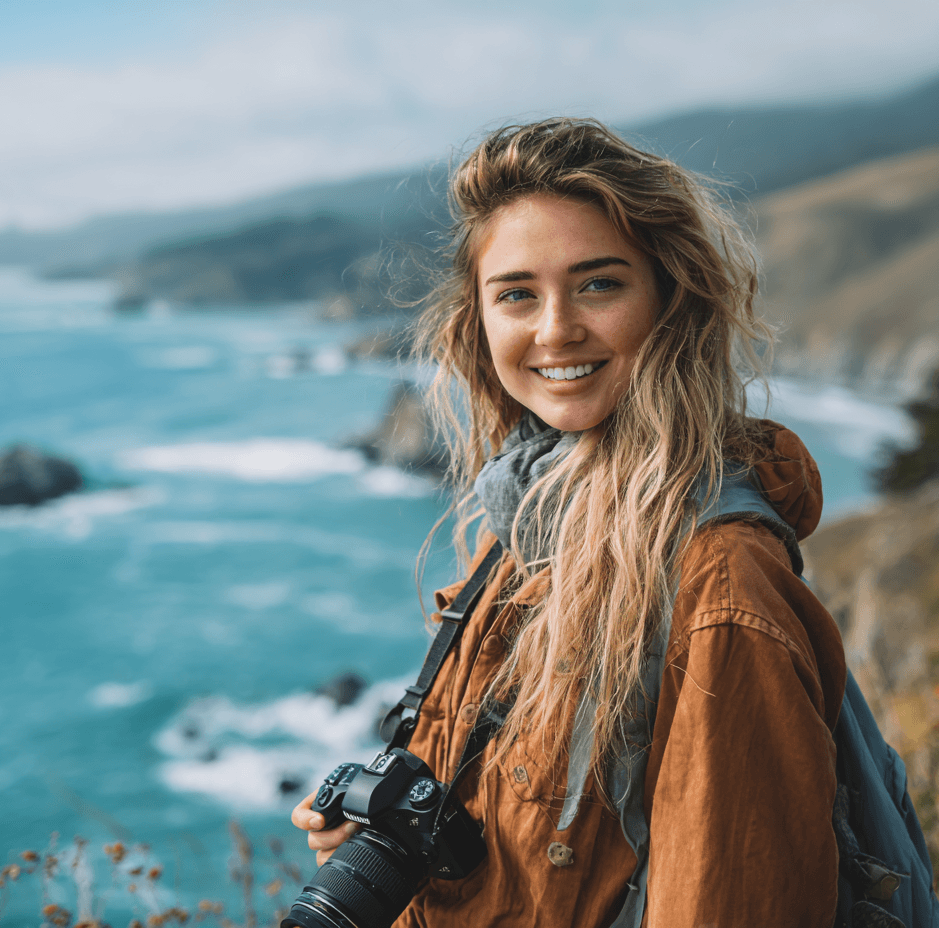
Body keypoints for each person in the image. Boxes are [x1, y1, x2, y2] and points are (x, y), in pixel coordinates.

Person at [293, 118, 846, 927]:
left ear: (670, 299)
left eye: (598, 284)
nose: (555, 329)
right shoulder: (524, 526)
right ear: (478, 321)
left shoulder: (720, 584)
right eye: (517, 294)